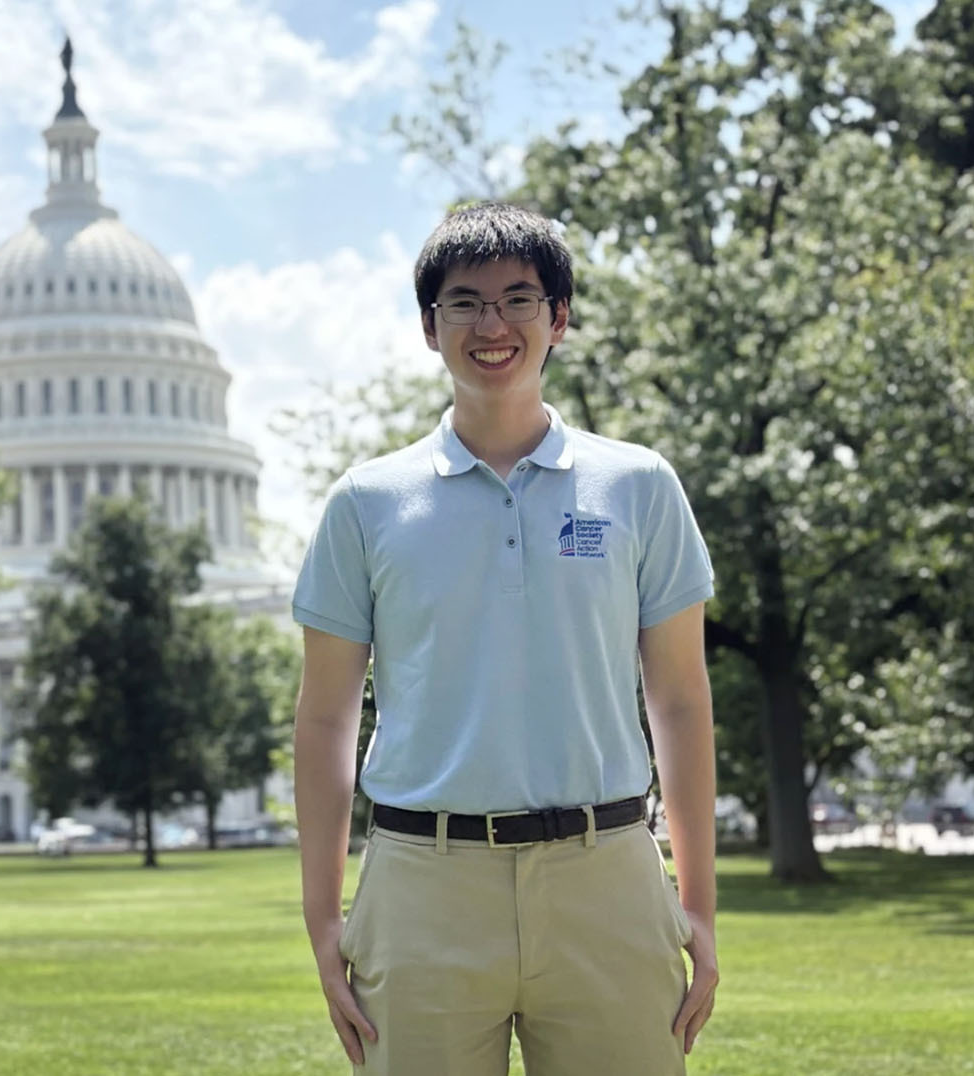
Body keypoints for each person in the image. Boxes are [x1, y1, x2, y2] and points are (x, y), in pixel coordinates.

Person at [291, 201, 719, 1074]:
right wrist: (322, 918)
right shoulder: (365, 503)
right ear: (429, 327)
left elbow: (679, 700)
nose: (492, 326)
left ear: (558, 318)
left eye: (519, 299)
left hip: (609, 878)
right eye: (465, 303)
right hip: (422, 887)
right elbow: (326, 719)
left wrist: (699, 905)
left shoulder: (639, 485)